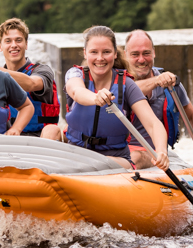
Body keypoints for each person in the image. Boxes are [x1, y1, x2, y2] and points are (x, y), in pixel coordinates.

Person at [64, 25, 169, 171]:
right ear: (85, 53)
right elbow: (76, 92)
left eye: (106, 52)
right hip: (78, 153)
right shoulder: (75, 74)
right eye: (94, 52)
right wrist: (96, 98)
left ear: (115, 54)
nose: (100, 58)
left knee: (103, 163)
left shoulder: (127, 84)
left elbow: (153, 124)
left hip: (116, 161)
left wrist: (162, 150)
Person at [124, 29, 193, 172]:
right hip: (122, 151)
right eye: (135, 54)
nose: (141, 59)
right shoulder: (118, 83)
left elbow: (192, 117)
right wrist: (156, 81)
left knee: (135, 157)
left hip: (152, 153)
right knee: (131, 156)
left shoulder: (170, 84)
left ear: (154, 53)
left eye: (146, 53)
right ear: (125, 55)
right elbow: (130, 89)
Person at [0, 18, 62, 140]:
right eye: (8, 41)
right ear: (0, 46)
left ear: (26, 44)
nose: (14, 45)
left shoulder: (43, 70)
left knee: (52, 130)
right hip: (9, 138)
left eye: (18, 40)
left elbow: (31, 83)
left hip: (41, 138)